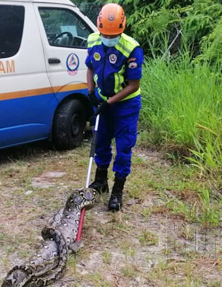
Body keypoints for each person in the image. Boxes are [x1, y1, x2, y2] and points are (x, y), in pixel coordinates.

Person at [85, 3, 143, 212]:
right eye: (105, 34)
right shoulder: (93, 40)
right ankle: (101, 181)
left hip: (125, 104)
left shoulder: (131, 48)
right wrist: (91, 93)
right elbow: (90, 68)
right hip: (102, 100)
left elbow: (133, 85)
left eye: (113, 35)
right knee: (101, 140)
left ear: (122, 28)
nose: (108, 38)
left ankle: (117, 190)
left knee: (124, 145)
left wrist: (108, 102)